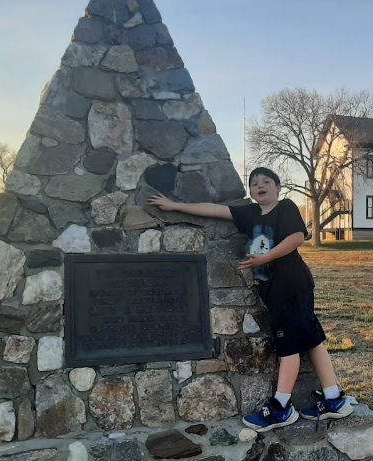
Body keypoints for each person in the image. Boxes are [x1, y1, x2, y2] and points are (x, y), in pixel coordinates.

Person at [147, 167, 353, 432]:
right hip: (276, 292)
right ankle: (334, 398)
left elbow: (296, 238)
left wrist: (265, 258)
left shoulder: (286, 207)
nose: (260, 185)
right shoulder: (250, 214)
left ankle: (281, 408)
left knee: (289, 347)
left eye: (266, 181)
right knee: (312, 339)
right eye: (254, 183)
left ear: (278, 188)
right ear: (252, 192)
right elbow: (213, 209)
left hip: (291, 287)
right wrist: (174, 205)